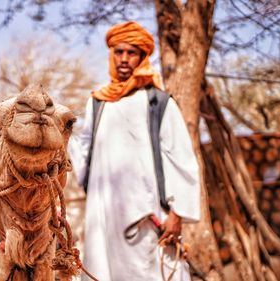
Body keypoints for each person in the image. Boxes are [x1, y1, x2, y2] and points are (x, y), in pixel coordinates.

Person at [67, 21, 200, 281]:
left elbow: (182, 160)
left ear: (142, 57)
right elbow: (84, 153)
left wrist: (177, 214)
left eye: (131, 52)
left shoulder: (158, 102)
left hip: (148, 216)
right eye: (119, 52)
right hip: (103, 215)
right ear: (111, 55)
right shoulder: (97, 102)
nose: (124, 59)